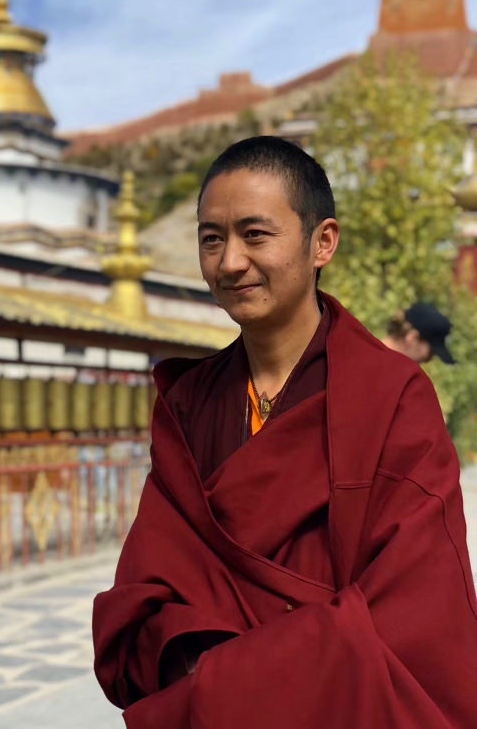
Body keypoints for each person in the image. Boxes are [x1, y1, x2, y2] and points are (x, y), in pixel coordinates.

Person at [93, 136, 477, 728]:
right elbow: (144, 593)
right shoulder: (190, 404)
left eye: (255, 234)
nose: (229, 263)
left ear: (322, 242)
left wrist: (240, 674)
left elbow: (420, 607)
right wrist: (202, 661)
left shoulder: (391, 396)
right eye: (211, 239)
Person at [382, 302, 456, 364]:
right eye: (431, 353)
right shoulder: (381, 373)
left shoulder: (375, 359)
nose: (429, 360)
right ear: (413, 338)